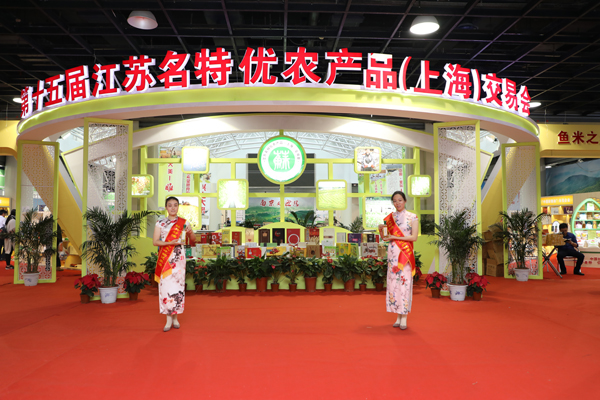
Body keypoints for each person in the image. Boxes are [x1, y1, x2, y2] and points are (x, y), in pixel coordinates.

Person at [153, 197, 195, 332]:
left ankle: (175, 318)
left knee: (178, 288)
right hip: (166, 259)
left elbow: (193, 241)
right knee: (166, 288)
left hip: (179, 260)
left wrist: (191, 233)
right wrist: (169, 243)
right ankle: (168, 320)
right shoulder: (160, 223)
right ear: (166, 207)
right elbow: (155, 242)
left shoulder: (184, 222)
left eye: (175, 205)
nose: (172, 208)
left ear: (178, 207)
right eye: (170, 205)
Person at [379, 191, 419, 330]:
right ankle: (398, 316)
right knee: (394, 285)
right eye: (395, 201)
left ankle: (404, 317)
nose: (397, 203)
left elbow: (414, 237)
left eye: (400, 200)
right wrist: (381, 230)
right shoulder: (391, 218)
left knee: (404, 284)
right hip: (393, 255)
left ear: (405, 201)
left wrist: (395, 237)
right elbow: (386, 237)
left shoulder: (412, 217)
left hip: (404, 256)